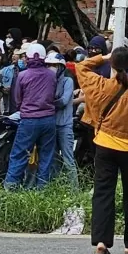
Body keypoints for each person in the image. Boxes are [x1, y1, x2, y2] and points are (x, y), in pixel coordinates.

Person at [75, 45, 128, 254]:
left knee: (102, 193)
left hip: (104, 144)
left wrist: (103, 57)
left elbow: (81, 66)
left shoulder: (99, 85)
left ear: (112, 63)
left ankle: (101, 242)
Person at [3, 44, 58, 189]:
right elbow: (54, 95)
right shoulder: (52, 75)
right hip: (49, 119)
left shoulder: (23, 75)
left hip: (29, 120)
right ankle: (42, 190)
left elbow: (17, 99)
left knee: (19, 154)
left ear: (27, 58)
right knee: (46, 157)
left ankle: (11, 188)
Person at [46, 52, 77, 189]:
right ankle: (56, 188)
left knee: (68, 159)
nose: (51, 68)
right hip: (52, 124)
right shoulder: (48, 82)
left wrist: (48, 103)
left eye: (54, 65)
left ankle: (74, 190)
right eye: (48, 65)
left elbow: (64, 101)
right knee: (53, 160)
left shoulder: (68, 81)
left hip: (64, 125)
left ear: (61, 67)